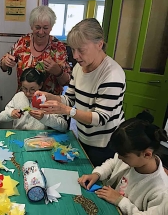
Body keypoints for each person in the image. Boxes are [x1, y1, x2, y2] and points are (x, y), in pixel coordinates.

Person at [35, 18, 126, 166]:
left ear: (99, 44)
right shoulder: (79, 67)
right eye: (73, 49)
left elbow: (100, 118)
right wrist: (49, 96)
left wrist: (66, 110)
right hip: (84, 136)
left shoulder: (112, 74)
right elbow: (69, 99)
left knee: (97, 182)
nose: (75, 56)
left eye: (81, 50)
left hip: (106, 144)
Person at [78, 113, 168, 215]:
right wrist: (97, 174)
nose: (119, 157)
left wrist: (120, 201)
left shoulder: (161, 192)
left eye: (123, 155)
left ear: (147, 154)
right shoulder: (132, 159)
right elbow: (113, 163)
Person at [0, 5, 71, 95]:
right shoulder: (23, 42)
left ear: (51, 27)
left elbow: (67, 82)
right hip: (24, 99)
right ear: (31, 26)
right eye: (37, 27)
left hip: (49, 103)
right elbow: (3, 66)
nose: (41, 32)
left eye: (45, 28)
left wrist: (58, 72)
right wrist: (5, 62)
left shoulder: (58, 47)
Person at [0, 68, 67, 132]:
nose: (27, 93)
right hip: (17, 137)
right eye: (24, 88)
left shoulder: (47, 100)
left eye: (32, 89)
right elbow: (0, 118)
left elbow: (63, 126)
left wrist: (44, 118)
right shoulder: (18, 97)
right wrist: (10, 113)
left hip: (39, 139)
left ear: (40, 85)